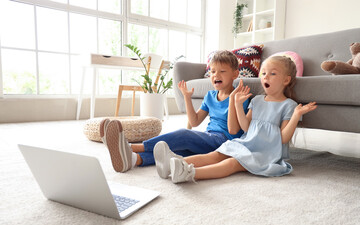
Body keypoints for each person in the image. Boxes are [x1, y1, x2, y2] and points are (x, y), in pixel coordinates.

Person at [153, 55, 318, 183]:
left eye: (272, 74)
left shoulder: (289, 105)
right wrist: (238, 105)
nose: (266, 77)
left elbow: (283, 138)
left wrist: (296, 116)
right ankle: (174, 163)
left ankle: (189, 173)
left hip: (265, 153)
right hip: (246, 143)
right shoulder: (257, 100)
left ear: (286, 80)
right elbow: (246, 128)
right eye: (264, 73)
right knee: (216, 155)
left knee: (232, 163)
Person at [100, 50, 250, 174]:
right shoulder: (210, 96)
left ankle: (131, 147)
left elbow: (233, 130)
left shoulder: (239, 97)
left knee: (184, 134)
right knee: (178, 152)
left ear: (235, 74)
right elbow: (194, 121)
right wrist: (187, 97)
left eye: (222, 71)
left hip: (225, 142)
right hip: (209, 138)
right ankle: (134, 159)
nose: (216, 75)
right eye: (212, 71)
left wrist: (232, 101)